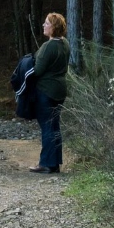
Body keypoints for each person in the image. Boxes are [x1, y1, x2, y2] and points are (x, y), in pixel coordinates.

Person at [30, 12, 70, 174]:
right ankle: (54, 163)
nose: (43, 25)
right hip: (60, 89)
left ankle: (46, 162)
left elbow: (38, 70)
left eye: (47, 23)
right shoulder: (65, 43)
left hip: (46, 91)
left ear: (54, 27)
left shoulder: (49, 46)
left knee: (47, 127)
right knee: (54, 126)